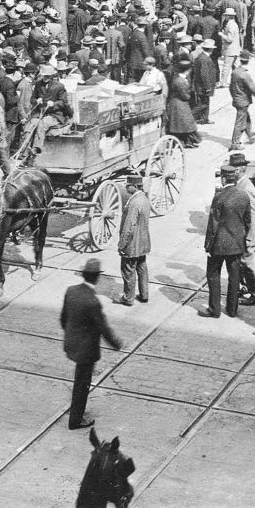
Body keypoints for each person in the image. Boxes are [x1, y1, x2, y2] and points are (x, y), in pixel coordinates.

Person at [60, 258, 121, 430]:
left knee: (79, 380)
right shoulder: (92, 301)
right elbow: (103, 328)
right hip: (86, 351)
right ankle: (76, 420)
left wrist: (71, 335)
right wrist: (116, 343)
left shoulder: (71, 291)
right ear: (97, 278)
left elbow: (64, 318)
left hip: (72, 344)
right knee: (82, 384)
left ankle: (76, 413)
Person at [199, 170, 252, 319]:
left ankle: (214, 310)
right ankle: (232, 310)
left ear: (223, 179)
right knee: (234, 277)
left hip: (219, 246)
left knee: (213, 275)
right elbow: (248, 221)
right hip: (237, 245)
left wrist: (208, 245)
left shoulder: (219, 198)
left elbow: (213, 225)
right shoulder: (243, 196)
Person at [114, 171, 150, 306]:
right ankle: (144, 294)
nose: (126, 187)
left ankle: (128, 298)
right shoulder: (145, 199)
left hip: (132, 244)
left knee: (128, 270)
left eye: (128, 185)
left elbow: (129, 227)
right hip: (143, 243)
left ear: (134, 186)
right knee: (142, 268)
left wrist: (121, 245)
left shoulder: (134, 203)